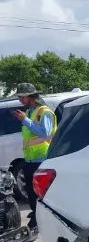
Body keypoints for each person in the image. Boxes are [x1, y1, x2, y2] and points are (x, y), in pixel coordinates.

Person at [9, 83, 56, 233]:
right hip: (30, 160)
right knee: (31, 192)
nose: (21, 100)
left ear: (31, 96)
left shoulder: (44, 112)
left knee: (44, 194)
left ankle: (43, 221)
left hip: (43, 160)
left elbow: (45, 133)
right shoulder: (29, 111)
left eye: (22, 97)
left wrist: (25, 120)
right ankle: (36, 217)